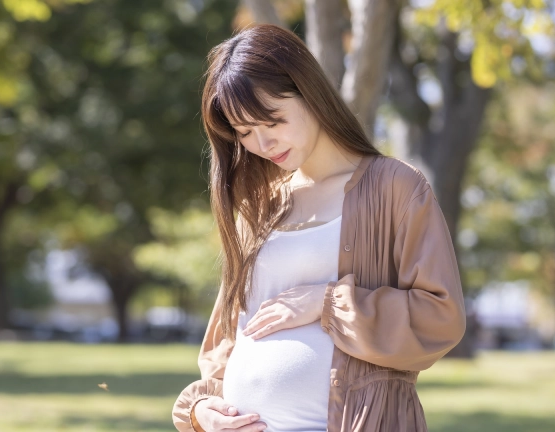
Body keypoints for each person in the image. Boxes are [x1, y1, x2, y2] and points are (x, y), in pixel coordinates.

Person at [171, 24, 466, 432]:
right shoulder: (258, 208)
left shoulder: (395, 187)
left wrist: (327, 302)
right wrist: (202, 409)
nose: (262, 143)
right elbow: (228, 337)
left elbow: (441, 317)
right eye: (244, 133)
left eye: (272, 121)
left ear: (307, 91)